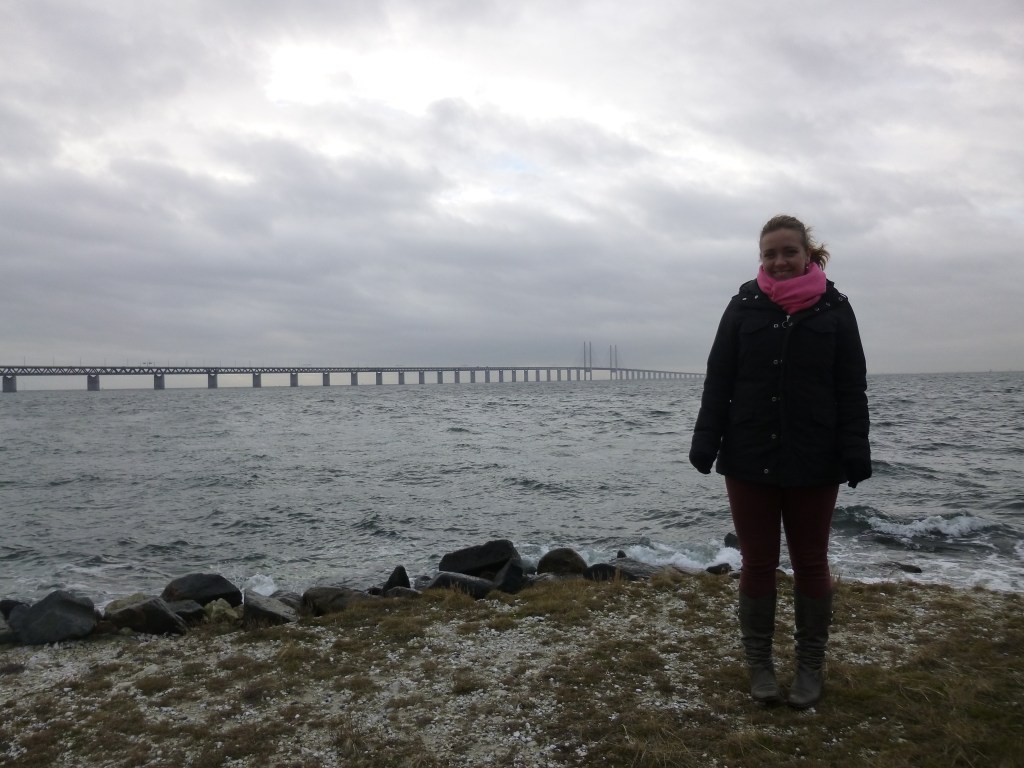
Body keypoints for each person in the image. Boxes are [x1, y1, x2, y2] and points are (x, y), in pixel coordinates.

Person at [689, 214, 871, 708]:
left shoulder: (836, 309)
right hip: (749, 454)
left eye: (788, 251)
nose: (779, 261)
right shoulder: (742, 306)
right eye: (769, 253)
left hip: (817, 454)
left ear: (808, 254)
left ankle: (809, 666)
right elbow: (719, 380)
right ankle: (760, 665)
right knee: (758, 561)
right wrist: (706, 441)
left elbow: (851, 385)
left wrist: (856, 448)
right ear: (760, 258)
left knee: (811, 560)